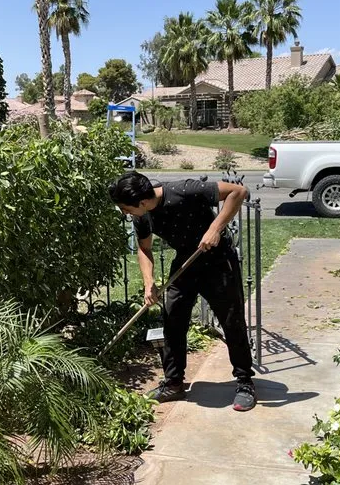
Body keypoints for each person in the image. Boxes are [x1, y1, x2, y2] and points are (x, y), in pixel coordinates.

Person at [108, 171, 256, 412]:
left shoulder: (185, 189)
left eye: (126, 208)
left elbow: (238, 192)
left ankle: (244, 382)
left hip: (218, 263)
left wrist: (215, 228)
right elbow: (144, 250)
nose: (126, 213)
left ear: (142, 201)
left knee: (231, 321)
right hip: (186, 263)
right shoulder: (143, 216)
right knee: (173, 319)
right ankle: (173, 383)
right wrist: (149, 283)